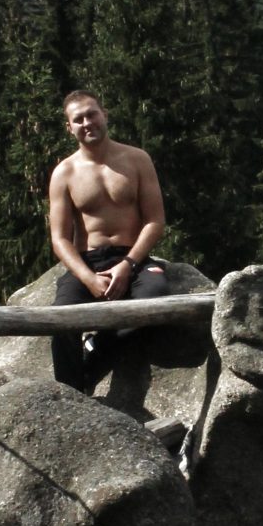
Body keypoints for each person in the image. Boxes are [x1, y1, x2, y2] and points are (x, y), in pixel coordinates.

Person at [47, 90, 169, 392]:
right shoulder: (64, 173)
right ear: (69, 128)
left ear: (105, 114)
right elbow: (59, 239)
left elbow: (155, 221)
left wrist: (128, 264)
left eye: (92, 114)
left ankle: (95, 349)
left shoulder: (137, 159)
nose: (87, 122)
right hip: (89, 262)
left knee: (154, 302)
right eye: (78, 119)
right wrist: (88, 278)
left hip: (133, 258)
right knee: (60, 321)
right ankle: (72, 394)